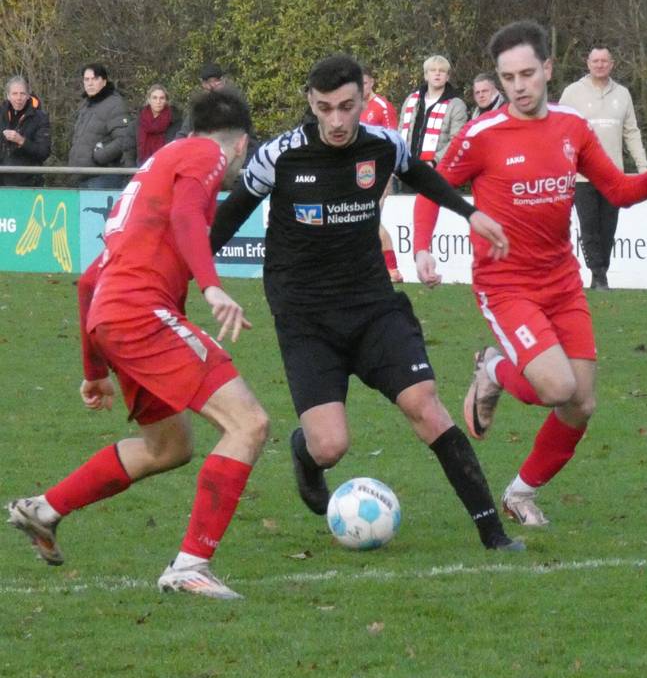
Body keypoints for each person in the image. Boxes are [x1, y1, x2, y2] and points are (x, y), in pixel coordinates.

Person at [210, 54, 524, 553]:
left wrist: (468, 213)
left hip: (373, 305)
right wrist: (202, 279)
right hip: (305, 316)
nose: (336, 120)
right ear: (311, 104)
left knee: (425, 405)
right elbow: (227, 219)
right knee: (331, 444)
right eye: (325, 108)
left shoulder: (385, 144)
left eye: (347, 107)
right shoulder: (281, 155)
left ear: (364, 98)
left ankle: (493, 533)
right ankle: (306, 455)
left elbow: (421, 174)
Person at [413, 20, 647, 527]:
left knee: (581, 404)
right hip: (506, 287)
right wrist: (423, 248)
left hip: (562, 283)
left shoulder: (572, 128)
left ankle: (520, 493)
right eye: (507, 77)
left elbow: (618, 191)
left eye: (526, 74)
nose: (518, 86)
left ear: (547, 69)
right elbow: (432, 185)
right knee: (558, 387)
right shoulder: (482, 134)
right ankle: (494, 368)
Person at [8, 89, 268, 599]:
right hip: (143, 313)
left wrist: (93, 371)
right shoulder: (205, 154)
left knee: (169, 447)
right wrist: (212, 284)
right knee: (250, 423)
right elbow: (189, 217)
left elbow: (89, 282)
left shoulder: (156, 166)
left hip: (114, 315)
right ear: (241, 145)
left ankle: (44, 509)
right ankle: (190, 565)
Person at [559, 45, 647, 290]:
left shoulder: (623, 94)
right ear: (588, 63)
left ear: (612, 64)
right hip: (581, 175)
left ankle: (602, 272)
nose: (600, 65)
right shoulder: (572, 93)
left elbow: (631, 132)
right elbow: (559, 131)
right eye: (595, 60)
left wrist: (643, 167)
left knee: (608, 228)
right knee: (589, 227)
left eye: (604, 61)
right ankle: (598, 275)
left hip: (613, 175)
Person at [359, 69, 402, 281]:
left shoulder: (382, 107)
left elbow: (393, 141)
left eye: (364, 83)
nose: (361, 87)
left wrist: (388, 174)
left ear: (372, 82)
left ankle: (392, 268)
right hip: (358, 173)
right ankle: (380, 269)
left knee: (371, 219)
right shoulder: (354, 107)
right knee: (363, 220)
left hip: (378, 172)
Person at [67, 62, 136, 189]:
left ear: (104, 81)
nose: (90, 83)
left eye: (95, 78)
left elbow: (124, 139)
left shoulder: (115, 104)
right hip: (81, 176)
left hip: (103, 177)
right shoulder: (85, 105)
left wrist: (99, 157)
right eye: (86, 79)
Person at [398, 55, 468, 165]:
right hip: (406, 167)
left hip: (437, 170)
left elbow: (456, 141)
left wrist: (434, 161)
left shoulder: (456, 105)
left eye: (442, 71)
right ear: (426, 75)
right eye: (433, 70)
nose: (437, 73)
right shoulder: (411, 100)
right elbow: (400, 131)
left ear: (448, 77)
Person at [0, 75, 50, 187]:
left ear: (28, 96)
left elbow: (44, 152)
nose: (18, 98)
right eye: (14, 94)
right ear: (8, 96)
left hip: (27, 184)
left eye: (22, 93)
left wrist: (21, 141)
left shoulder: (40, 118)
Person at [136, 84, 181, 165]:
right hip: (140, 166)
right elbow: (129, 147)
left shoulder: (176, 122)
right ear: (149, 100)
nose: (158, 101)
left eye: (162, 98)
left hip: (167, 165)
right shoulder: (139, 121)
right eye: (154, 98)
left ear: (166, 101)